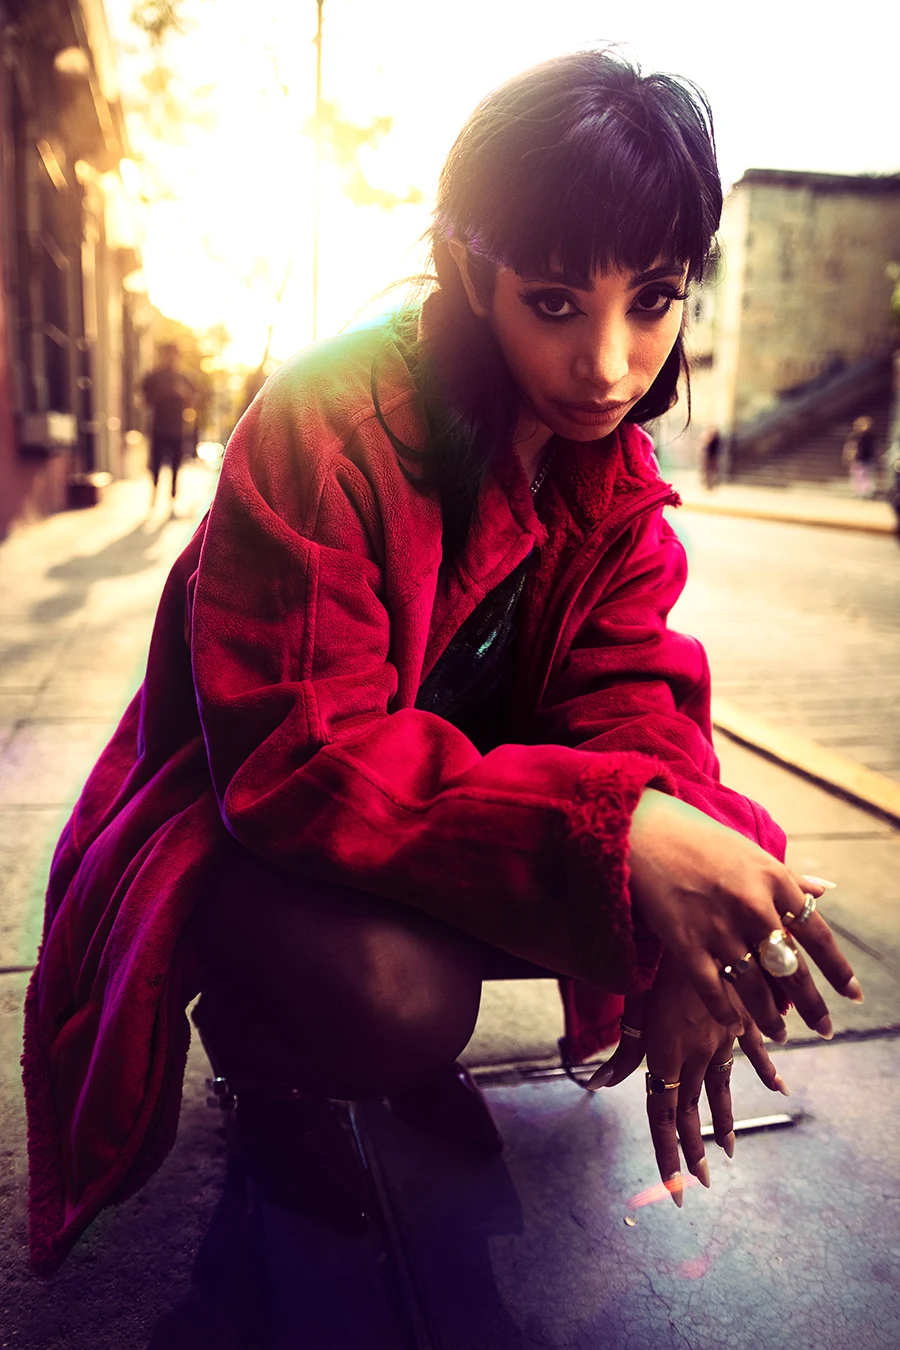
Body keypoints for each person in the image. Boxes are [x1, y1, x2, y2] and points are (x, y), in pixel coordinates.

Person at [23, 51, 863, 1274]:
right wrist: (621, 836)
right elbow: (296, 761)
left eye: (657, 298)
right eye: (558, 301)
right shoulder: (329, 422)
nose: (612, 366)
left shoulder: (614, 484)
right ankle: (276, 1064)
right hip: (240, 838)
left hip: (434, 830)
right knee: (400, 1001)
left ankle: (385, 1046)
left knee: (699, 869)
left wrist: (697, 925)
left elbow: (637, 710)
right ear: (474, 268)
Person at [141, 341, 197, 508]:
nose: (171, 358)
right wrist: (160, 394)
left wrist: (183, 393)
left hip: (177, 429)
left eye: (174, 354)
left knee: (175, 465)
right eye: (168, 354)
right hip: (158, 427)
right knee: (156, 463)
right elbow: (144, 400)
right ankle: (154, 495)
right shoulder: (154, 377)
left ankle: (172, 499)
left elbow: (193, 402)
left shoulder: (185, 378)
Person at [842, 414, 877, 499]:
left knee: (866, 476)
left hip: (866, 459)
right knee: (857, 476)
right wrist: (849, 456)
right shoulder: (855, 436)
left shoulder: (869, 436)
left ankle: (867, 492)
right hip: (858, 459)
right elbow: (849, 447)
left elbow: (871, 449)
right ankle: (859, 492)